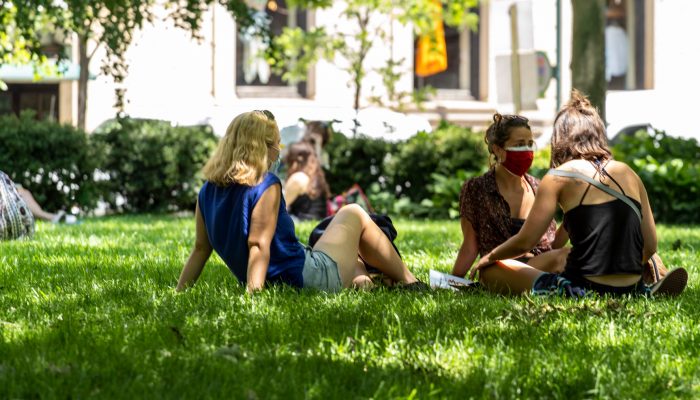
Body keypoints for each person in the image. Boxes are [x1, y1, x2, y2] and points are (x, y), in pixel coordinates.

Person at [176, 110, 425, 293]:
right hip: (301, 278)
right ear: (262, 147)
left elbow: (200, 250)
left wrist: (180, 293)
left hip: (286, 275)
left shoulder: (207, 191)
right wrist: (253, 297)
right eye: (276, 145)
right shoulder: (266, 185)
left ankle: (365, 282)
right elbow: (258, 246)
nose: (278, 153)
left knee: (354, 263)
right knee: (354, 212)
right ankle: (412, 283)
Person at [469, 91, 687, 297]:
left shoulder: (559, 176)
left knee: (489, 272)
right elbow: (650, 246)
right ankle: (641, 290)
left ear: (561, 138)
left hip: (584, 285)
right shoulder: (628, 172)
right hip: (631, 283)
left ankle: (561, 288)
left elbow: (525, 241)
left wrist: (490, 256)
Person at [452, 113, 570, 279]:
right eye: (520, 144)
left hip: (540, 264)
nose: (527, 151)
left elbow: (552, 245)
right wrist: (452, 280)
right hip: (500, 269)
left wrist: (573, 216)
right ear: (498, 149)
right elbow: (470, 246)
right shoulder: (476, 189)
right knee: (562, 258)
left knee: (568, 255)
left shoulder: (539, 187)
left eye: (530, 144)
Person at [284, 141, 330, 221]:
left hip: (300, 227)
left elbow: (279, 208)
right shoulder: (315, 179)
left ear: (294, 161)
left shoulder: (298, 178)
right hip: (315, 228)